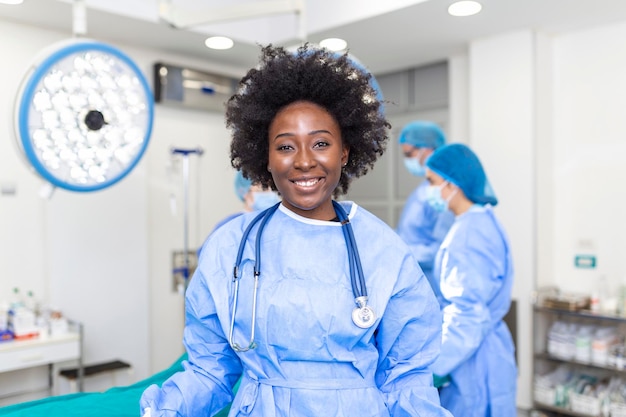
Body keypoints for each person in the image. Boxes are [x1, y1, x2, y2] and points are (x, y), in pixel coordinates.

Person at [140, 44, 452, 417]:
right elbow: (210, 370)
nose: (304, 161)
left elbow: (407, 378)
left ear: (345, 152)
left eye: (321, 143)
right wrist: (166, 410)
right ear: (265, 157)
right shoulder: (231, 249)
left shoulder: (383, 251)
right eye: (286, 146)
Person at [424, 143, 517, 417]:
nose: (428, 191)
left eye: (432, 182)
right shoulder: (485, 220)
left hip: (474, 361)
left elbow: (467, 314)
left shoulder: (467, 235)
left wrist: (436, 368)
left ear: (452, 184)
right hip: (489, 351)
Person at [396, 121, 454, 301]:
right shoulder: (425, 189)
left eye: (409, 154)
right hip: (415, 283)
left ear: (428, 150)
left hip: (432, 289)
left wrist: (401, 252)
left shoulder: (443, 191)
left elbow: (443, 249)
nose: (408, 160)